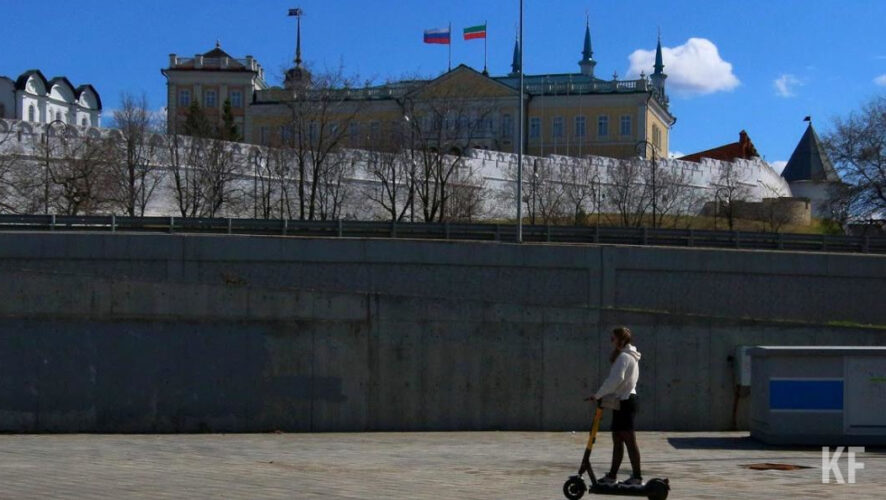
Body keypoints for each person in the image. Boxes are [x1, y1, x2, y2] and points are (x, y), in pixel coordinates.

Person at [585, 326, 642, 487]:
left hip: (626, 402)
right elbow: (618, 383)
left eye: (613, 339)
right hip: (623, 401)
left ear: (621, 340)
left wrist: (598, 395)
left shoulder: (625, 357)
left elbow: (614, 381)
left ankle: (637, 477)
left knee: (629, 441)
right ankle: (612, 476)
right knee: (618, 440)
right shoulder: (628, 356)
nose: (611, 341)